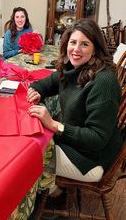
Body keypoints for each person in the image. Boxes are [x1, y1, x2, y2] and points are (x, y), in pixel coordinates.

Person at [27, 18, 122, 185]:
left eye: (84, 44)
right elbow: (46, 83)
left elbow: (97, 138)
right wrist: (36, 92)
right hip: (75, 144)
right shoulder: (72, 68)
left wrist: (54, 124)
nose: (76, 49)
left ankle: (47, 192)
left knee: (27, 155)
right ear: (66, 44)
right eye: (73, 42)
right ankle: (50, 188)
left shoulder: (104, 82)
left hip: (89, 159)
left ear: (95, 49)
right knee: (31, 139)